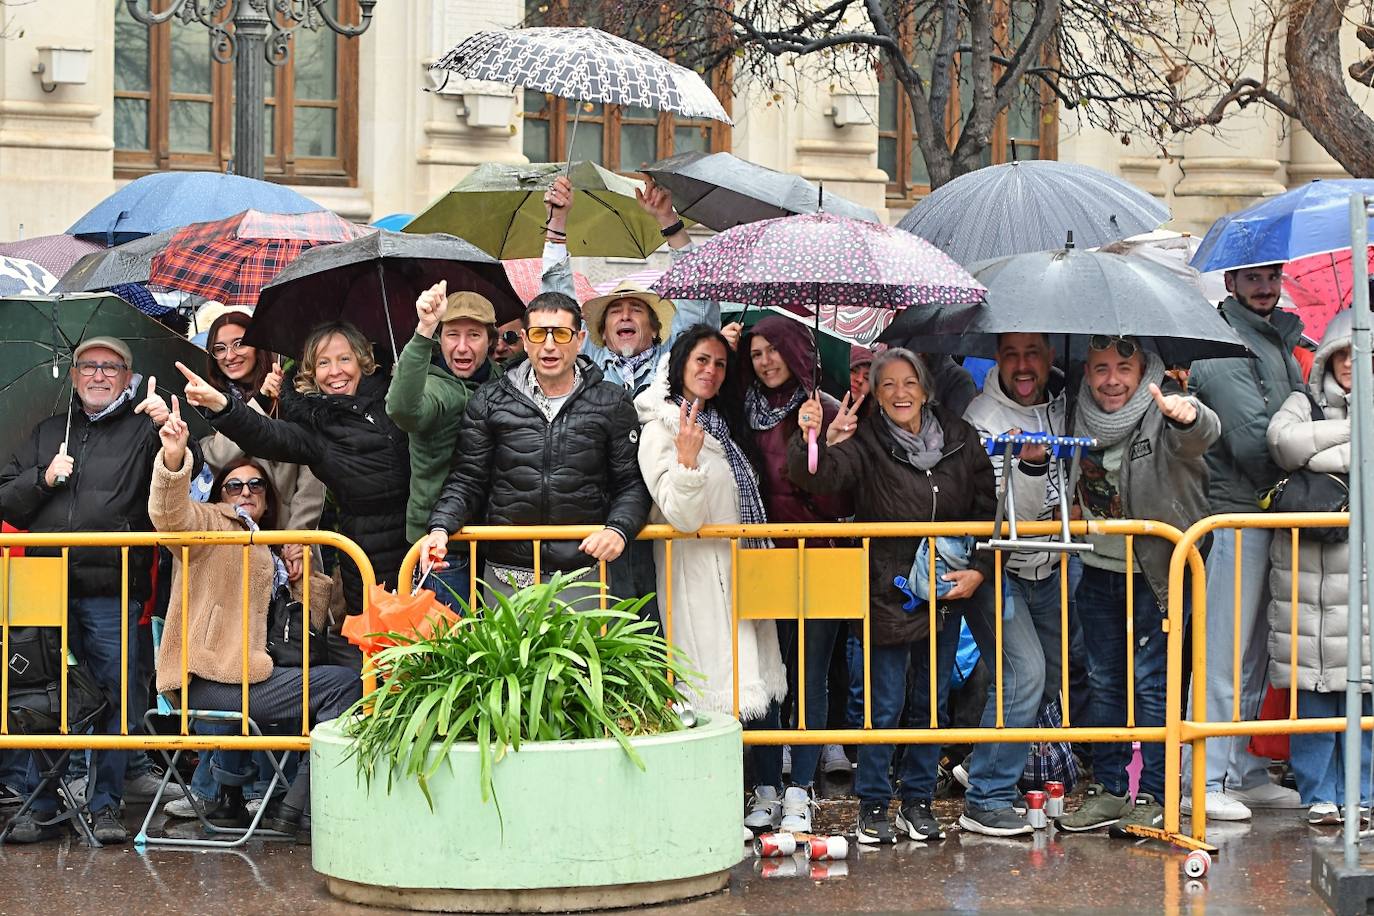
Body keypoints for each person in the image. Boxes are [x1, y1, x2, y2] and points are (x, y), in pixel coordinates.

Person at [790, 348, 1008, 843]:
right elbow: (817, 478)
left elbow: (986, 512)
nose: (899, 393)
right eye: (886, 385)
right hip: (887, 588)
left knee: (930, 703)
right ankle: (872, 805)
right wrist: (813, 436)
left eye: (908, 382)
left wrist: (980, 571)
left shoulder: (958, 435)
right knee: (883, 703)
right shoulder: (863, 438)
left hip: (948, 587)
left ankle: (917, 801)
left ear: (926, 387)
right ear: (875, 394)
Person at [0, 336, 187, 845]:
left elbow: (172, 491)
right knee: (36, 695)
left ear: (128, 378)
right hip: (44, 587)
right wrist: (44, 478)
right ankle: (40, 804)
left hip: (110, 586)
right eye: (89, 366)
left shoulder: (145, 430)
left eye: (112, 367)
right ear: (75, 375)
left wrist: (168, 442)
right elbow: (7, 501)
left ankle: (106, 806)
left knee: (115, 697)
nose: (99, 375)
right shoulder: (44, 433)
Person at [148, 397, 359, 838]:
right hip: (209, 679)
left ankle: (256, 801)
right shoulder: (211, 525)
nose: (245, 492)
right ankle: (298, 805)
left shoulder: (283, 544)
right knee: (345, 686)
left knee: (345, 678)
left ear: (269, 496)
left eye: (256, 486)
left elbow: (311, 634)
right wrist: (173, 456)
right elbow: (169, 516)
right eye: (233, 485)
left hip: (257, 677)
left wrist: (302, 576)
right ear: (220, 493)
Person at [1055, 336, 1219, 835]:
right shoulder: (1071, 412)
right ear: (1086, 371)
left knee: (1152, 683)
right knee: (1104, 681)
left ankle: (1153, 792)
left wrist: (1186, 414)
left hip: (1158, 569)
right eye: (1101, 367)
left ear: (1144, 370)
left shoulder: (1161, 408)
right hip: (1098, 567)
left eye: (1124, 368)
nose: (1112, 379)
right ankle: (1108, 789)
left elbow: (1201, 434)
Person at [542, 174, 723, 615]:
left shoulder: (671, 363)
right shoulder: (585, 364)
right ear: (599, 332)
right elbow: (556, 298)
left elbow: (698, 302)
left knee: (664, 623)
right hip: (602, 512)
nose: (625, 315)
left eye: (635, 309)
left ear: (655, 327)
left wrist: (668, 221)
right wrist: (557, 224)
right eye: (615, 312)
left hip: (666, 510)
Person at [635, 326, 788, 832]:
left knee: (758, 682)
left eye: (720, 364)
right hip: (699, 578)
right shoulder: (660, 425)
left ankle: (766, 792)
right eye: (702, 360)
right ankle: (714, 803)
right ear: (680, 363)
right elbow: (679, 515)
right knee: (716, 690)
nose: (710, 371)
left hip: (746, 566)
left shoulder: (725, 421)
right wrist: (684, 459)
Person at [420, 292, 651, 600]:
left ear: (580, 339)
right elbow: (467, 479)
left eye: (561, 333)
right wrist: (440, 528)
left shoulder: (611, 401)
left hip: (584, 572)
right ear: (526, 340)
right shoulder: (489, 401)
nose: (550, 345)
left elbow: (631, 483)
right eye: (540, 334)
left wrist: (618, 529)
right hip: (506, 574)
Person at [178, 320, 411, 614]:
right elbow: (265, 434)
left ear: (363, 362)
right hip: (366, 559)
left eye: (344, 359)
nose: (336, 371)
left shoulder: (395, 400)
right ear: (312, 373)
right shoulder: (315, 425)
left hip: (421, 548)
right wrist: (224, 406)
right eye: (324, 363)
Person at [1185, 263, 1305, 819]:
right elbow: (1255, 441)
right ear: (1231, 282)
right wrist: (1312, 465)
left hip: (1271, 510)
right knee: (1226, 650)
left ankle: (1244, 768)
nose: (1265, 286)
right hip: (1235, 515)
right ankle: (1204, 777)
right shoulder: (1221, 346)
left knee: (1258, 650)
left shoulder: (1279, 339)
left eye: (1272, 276)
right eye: (1253, 277)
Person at [736, 316, 854, 833]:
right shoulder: (742, 411)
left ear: (795, 351)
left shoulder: (826, 410)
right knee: (765, 672)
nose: (765, 361)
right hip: (760, 555)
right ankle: (764, 785)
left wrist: (819, 444)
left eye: (773, 350)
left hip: (821, 554)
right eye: (756, 352)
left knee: (810, 675)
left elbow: (838, 498)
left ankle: (800, 789)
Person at [1264, 309, 1370, 825]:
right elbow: (1284, 444)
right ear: (1328, 356)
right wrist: (1354, 434)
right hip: (1308, 583)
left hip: (1363, 579)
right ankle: (1318, 796)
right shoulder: (1301, 401)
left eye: (1358, 353)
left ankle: (1362, 796)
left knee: (1364, 695)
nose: (1349, 364)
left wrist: (1320, 448)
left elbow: (1304, 449)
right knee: (1313, 694)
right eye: (1341, 354)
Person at [963, 333, 1067, 709]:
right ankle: (987, 771)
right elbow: (1009, 518)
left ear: (1050, 356)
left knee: (1053, 680)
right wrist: (1033, 465)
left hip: (1052, 568)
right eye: (1011, 355)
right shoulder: (981, 418)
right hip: (1001, 569)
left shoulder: (1063, 402)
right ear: (996, 358)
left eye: (1032, 354)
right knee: (1024, 677)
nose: (1022, 365)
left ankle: (989, 764)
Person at [385, 283, 501, 610]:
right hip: (442, 549)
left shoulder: (503, 382)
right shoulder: (435, 386)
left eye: (474, 335)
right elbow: (402, 409)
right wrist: (424, 329)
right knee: (448, 649)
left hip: (497, 543)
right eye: (452, 335)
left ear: (490, 341)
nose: (462, 347)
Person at [198, 309, 325, 537]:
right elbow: (218, 457)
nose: (230, 355)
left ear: (258, 346)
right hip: (231, 541)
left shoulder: (291, 393)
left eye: (239, 344)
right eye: (220, 349)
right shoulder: (205, 400)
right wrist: (260, 403)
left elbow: (311, 480)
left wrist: (296, 537)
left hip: (288, 539)